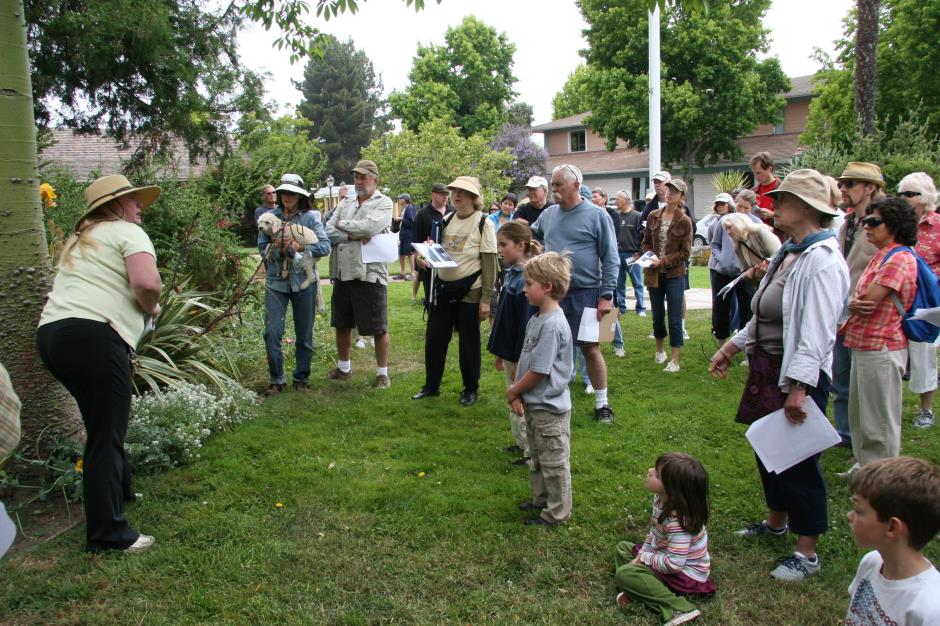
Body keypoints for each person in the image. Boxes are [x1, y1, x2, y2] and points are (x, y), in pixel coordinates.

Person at [709, 169, 849, 582]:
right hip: (770, 367)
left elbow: (816, 332)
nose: (774, 205)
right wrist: (731, 346)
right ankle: (776, 523)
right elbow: (765, 313)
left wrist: (800, 389)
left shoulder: (822, 262)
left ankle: (807, 553)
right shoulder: (792, 251)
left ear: (806, 209)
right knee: (769, 451)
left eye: (783, 200)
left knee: (799, 460)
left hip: (797, 376)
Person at [37, 174, 164, 553]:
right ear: (116, 205)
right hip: (94, 336)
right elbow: (146, 284)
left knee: (101, 423)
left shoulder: (81, 240)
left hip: (52, 336)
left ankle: (121, 492)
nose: (140, 206)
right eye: (133, 200)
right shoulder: (127, 232)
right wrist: (153, 308)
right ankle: (109, 534)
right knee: (106, 433)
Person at [531, 164, 618, 423]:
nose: (554, 189)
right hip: (554, 294)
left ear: (576, 186)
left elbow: (611, 257)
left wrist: (607, 295)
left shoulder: (598, 215)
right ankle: (554, 399)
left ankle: (602, 404)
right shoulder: (548, 215)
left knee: (591, 348)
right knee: (555, 348)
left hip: (588, 293)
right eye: (553, 184)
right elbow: (532, 237)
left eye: (559, 184)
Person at [842, 196, 919, 474]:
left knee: (879, 424)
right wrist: (852, 301)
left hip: (883, 348)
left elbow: (866, 302)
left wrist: (851, 301)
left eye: (874, 222)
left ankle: (884, 478)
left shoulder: (900, 257)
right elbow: (857, 299)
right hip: (864, 345)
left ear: (895, 224)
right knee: (861, 417)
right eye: (865, 221)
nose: (866, 227)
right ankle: (865, 468)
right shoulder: (882, 255)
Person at [413, 176, 498, 406]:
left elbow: (490, 262)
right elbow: (440, 251)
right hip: (443, 289)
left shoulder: (484, 222)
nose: (456, 196)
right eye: (454, 192)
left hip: (471, 290)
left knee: (468, 343)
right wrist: (425, 257)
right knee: (435, 339)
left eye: (462, 192)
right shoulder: (448, 218)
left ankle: (471, 388)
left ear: (474, 197)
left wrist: (486, 299)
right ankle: (431, 386)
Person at [508, 252, 574, 527]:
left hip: (550, 409)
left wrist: (513, 390)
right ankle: (541, 500)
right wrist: (519, 388)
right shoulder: (537, 319)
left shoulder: (553, 324)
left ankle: (556, 512)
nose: (524, 290)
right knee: (536, 458)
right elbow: (528, 359)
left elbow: (539, 371)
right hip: (535, 405)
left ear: (547, 286)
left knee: (554, 463)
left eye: (528, 284)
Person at [613, 452, 715, 626]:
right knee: (623, 548)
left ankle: (678, 608)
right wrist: (643, 553)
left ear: (672, 490)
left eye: (657, 474)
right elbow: (654, 531)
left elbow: (675, 565)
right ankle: (639, 587)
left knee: (624, 573)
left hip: (684, 575)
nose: (649, 471)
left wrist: (644, 558)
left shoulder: (678, 522)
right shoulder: (661, 500)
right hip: (663, 555)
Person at [259, 173, 332, 394]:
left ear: (300, 196)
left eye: (292, 193)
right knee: (272, 331)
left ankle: (301, 378)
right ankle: (276, 379)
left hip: (302, 282)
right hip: (275, 282)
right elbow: (262, 248)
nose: (287, 197)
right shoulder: (269, 217)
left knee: (304, 333)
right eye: (283, 193)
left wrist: (300, 247)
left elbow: (325, 247)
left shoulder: (311, 218)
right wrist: (278, 250)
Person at [845, 456, 940, 625]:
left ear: (892, 527)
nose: (850, 516)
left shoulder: (929, 607)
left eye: (858, 511)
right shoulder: (871, 562)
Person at [325, 160, 394, 389]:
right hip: (343, 272)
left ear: (376, 180)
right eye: (356, 177)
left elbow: (370, 227)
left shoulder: (384, 203)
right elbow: (328, 230)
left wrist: (345, 226)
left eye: (364, 177)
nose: (359, 182)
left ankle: (382, 374)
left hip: (369, 273)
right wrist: (352, 233)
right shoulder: (346, 202)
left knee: (378, 326)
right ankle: (344, 368)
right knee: (342, 323)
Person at [832, 162, 884, 449]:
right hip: (842, 314)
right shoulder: (847, 223)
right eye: (842, 183)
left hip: (870, 317)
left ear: (871, 188)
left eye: (850, 184)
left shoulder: (884, 224)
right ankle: (846, 434)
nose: (843, 188)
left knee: (865, 388)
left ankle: (866, 444)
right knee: (841, 382)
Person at [488, 221, 540, 465]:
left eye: (503, 244)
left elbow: (525, 326)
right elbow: (505, 320)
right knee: (512, 398)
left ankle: (531, 452)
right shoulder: (511, 274)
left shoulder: (527, 280)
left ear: (520, 245)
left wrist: (520, 359)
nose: (499, 249)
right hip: (510, 352)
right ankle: (522, 444)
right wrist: (501, 352)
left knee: (520, 401)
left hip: (520, 356)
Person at [898, 173, 940, 429]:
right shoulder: (897, 223)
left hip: (928, 299)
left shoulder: (937, 226)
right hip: (898, 298)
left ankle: (926, 409)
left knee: (924, 353)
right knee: (895, 352)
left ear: (924, 198)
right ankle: (889, 403)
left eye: (909, 194)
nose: (902, 198)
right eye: (900, 193)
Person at [641, 178, 693, 373]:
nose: (669, 193)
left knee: (674, 317)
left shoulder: (685, 221)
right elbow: (645, 241)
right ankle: (660, 351)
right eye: (668, 189)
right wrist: (649, 256)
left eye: (674, 191)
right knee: (657, 315)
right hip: (654, 274)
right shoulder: (654, 216)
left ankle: (675, 360)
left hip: (675, 275)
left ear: (681, 196)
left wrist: (662, 261)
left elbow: (685, 253)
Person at [413, 182, 455, 304]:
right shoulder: (422, 214)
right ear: (433, 195)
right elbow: (416, 241)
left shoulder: (453, 212)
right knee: (432, 299)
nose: (446, 197)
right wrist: (419, 258)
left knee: (449, 301)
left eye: (447, 194)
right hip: (430, 265)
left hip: (450, 263)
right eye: (442, 194)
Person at [707, 193, 740, 341]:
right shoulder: (715, 223)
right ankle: (718, 329)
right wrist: (719, 259)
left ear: (730, 205)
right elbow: (713, 243)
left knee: (735, 301)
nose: (720, 206)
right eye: (718, 204)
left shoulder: (737, 220)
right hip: (717, 267)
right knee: (719, 300)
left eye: (723, 204)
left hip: (735, 268)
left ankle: (734, 326)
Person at [614, 189, 645, 318]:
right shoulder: (616, 216)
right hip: (618, 254)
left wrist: (640, 252)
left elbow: (643, 236)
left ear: (626, 200)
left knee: (637, 282)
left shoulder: (637, 216)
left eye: (617, 199)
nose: (615, 202)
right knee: (619, 282)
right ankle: (621, 307)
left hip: (633, 255)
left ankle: (641, 308)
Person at [749, 151, 782, 228]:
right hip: (756, 237)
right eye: (754, 173)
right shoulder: (752, 192)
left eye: (759, 173)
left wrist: (773, 215)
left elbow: (792, 216)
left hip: (776, 237)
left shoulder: (782, 189)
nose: (756, 177)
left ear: (769, 169)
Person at [395, 193, 417, 281]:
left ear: (405, 199)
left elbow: (411, 222)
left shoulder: (410, 208)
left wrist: (401, 219)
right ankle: (402, 274)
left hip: (408, 235)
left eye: (400, 198)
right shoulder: (405, 208)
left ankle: (412, 274)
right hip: (403, 235)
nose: (399, 200)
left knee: (410, 254)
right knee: (401, 254)